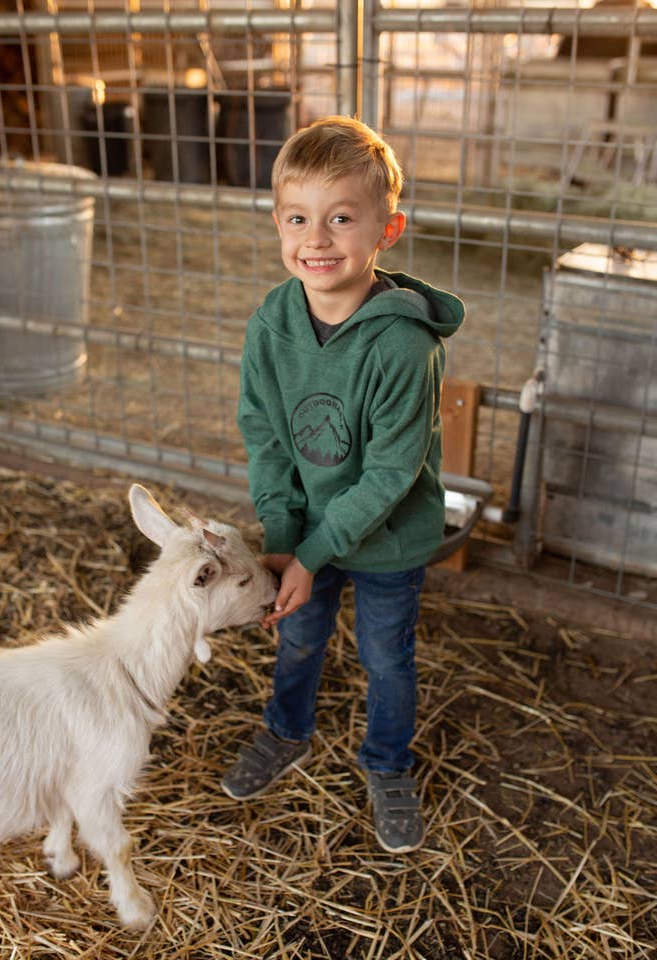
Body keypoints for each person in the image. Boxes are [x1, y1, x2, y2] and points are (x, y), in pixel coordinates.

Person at [221, 116, 464, 854]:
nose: (317, 240)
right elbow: (264, 433)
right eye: (299, 218)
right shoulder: (272, 322)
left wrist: (313, 554)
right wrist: (288, 543)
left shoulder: (402, 345)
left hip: (386, 536)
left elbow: (391, 473)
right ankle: (286, 730)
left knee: (386, 657)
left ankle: (388, 763)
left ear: (387, 229)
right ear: (277, 224)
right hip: (306, 535)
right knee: (298, 638)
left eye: (341, 219)